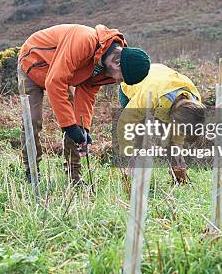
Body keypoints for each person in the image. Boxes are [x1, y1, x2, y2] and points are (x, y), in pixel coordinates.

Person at [18, 24, 150, 185]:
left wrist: (82, 129)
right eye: (121, 78)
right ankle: (32, 172)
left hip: (60, 74)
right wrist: (69, 126)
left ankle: (74, 176)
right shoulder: (84, 41)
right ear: (118, 64)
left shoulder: (104, 67)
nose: (117, 81)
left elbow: (87, 93)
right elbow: (55, 82)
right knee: (33, 120)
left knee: (77, 126)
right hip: (32, 62)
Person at [117, 63, 205, 183]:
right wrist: (131, 156)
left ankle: (178, 177)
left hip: (163, 82)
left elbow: (178, 134)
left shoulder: (193, 103)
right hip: (134, 83)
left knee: (173, 147)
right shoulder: (150, 95)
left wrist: (178, 156)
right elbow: (125, 123)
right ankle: (132, 176)